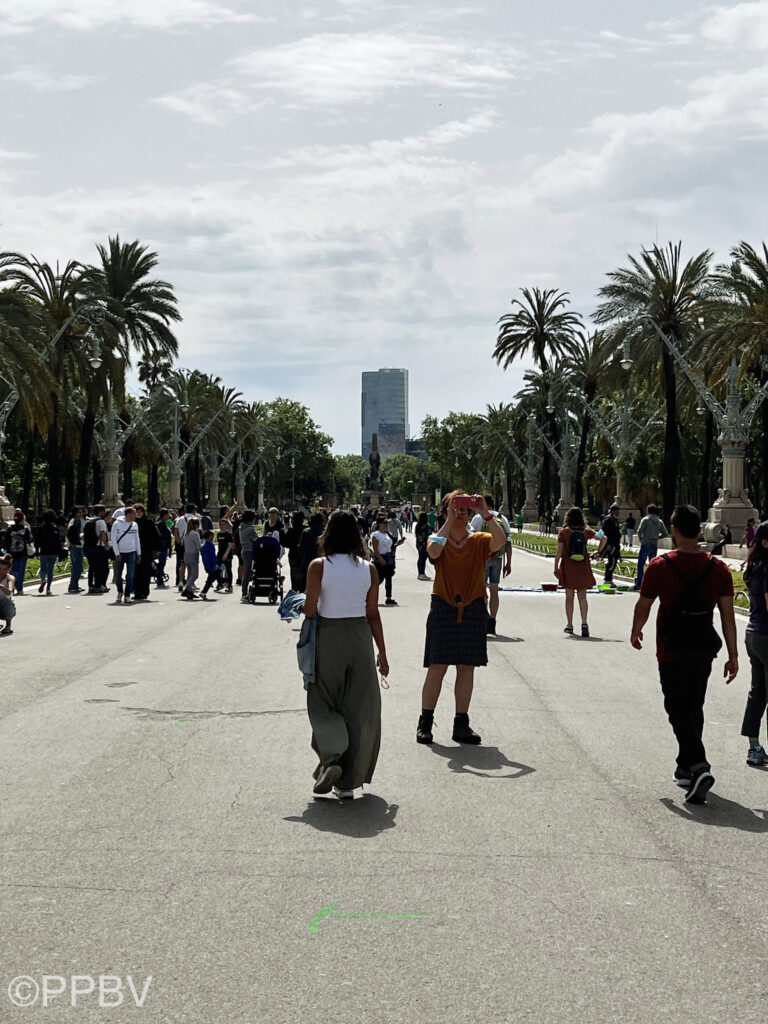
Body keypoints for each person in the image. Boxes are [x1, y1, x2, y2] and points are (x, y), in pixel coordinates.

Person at [630, 504, 738, 804]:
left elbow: (645, 604)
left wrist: (636, 630)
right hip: (703, 648)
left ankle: (699, 765)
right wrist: (733, 655)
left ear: (675, 532)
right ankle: (685, 767)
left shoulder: (661, 566)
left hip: (671, 647)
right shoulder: (719, 569)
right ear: (700, 530)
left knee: (676, 708)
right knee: (694, 706)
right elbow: (728, 616)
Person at [301, 510, 389, 798]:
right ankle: (348, 783)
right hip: (361, 638)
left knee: (322, 699)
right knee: (359, 707)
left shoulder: (319, 566)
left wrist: (296, 605)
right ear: (356, 536)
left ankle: (332, 757)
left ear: (328, 534)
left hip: (329, 636)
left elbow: (311, 609)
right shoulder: (369, 569)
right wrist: (382, 655)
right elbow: (373, 614)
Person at [417, 491, 506, 745]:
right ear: (445, 512)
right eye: (456, 509)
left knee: (466, 668)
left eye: (465, 510)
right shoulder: (439, 539)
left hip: (473, 607)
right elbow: (433, 553)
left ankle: (461, 724)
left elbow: (500, 542)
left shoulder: (478, 540)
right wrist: (448, 520)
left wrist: (486, 514)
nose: (461, 513)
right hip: (444, 607)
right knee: (437, 666)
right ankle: (425, 722)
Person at [739, 521, 768, 766]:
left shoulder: (756, 565)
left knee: (758, 692)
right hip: (767, 636)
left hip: (753, 635)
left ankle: (754, 747)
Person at [471, 495, 511, 636]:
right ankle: (492, 621)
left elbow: (473, 539)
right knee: (494, 591)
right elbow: (508, 541)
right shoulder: (502, 518)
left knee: (482, 591)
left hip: (483, 559)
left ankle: (484, 618)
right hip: (498, 558)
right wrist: (509, 563)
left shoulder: (477, 518)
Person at [553, 506, 597, 637]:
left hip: (569, 565)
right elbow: (603, 538)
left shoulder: (564, 532)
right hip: (583, 566)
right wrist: (598, 552)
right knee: (582, 597)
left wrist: (556, 567)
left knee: (569, 597)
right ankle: (584, 623)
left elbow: (559, 552)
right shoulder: (586, 531)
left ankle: (570, 625)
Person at [111, 506, 141, 604]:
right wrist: (117, 553)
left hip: (131, 552)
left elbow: (137, 539)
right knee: (118, 576)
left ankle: (127, 595)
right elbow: (114, 540)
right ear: (128, 514)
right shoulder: (117, 524)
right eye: (134, 513)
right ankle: (120, 591)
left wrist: (138, 553)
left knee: (130, 575)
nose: (135, 516)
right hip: (120, 553)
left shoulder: (135, 525)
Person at [634, 503, 668, 590]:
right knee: (652, 566)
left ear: (648, 511)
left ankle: (639, 584)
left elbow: (639, 531)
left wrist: (641, 539)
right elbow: (665, 534)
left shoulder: (645, 520)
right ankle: (652, 584)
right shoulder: (660, 521)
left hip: (645, 544)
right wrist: (657, 537)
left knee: (641, 564)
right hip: (654, 544)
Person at [132, 503, 161, 601]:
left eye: (141, 512)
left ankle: (144, 592)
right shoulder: (132, 523)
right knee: (135, 572)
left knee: (145, 572)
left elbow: (155, 536)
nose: (139, 514)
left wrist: (157, 548)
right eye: (137, 512)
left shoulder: (148, 522)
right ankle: (137, 592)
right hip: (134, 550)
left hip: (147, 550)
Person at [371, 516, 401, 606]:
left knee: (389, 578)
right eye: (384, 523)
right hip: (380, 558)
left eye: (386, 523)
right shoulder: (376, 535)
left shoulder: (388, 534)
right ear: (379, 524)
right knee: (379, 579)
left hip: (389, 558)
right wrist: (380, 559)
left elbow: (390, 546)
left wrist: (396, 545)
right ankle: (371, 596)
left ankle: (389, 598)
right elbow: (375, 550)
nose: (386, 525)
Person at [4, 510, 32, 595]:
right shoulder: (25, 529)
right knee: (21, 571)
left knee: (13, 570)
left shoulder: (9, 528)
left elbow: (6, 541)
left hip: (12, 553)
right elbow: (29, 540)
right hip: (22, 553)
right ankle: (19, 588)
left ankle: (13, 585)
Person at [296, 513, 325, 593]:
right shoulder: (324, 533)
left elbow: (301, 548)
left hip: (307, 562)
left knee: (306, 585)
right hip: (322, 562)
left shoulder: (306, 532)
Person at [83, 505, 109, 594]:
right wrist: (106, 545)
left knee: (91, 567)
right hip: (98, 546)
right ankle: (98, 585)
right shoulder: (101, 522)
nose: (104, 513)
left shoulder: (89, 520)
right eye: (104, 511)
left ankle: (90, 586)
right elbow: (103, 534)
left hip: (89, 546)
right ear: (100, 511)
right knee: (99, 567)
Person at [35, 508, 61, 596]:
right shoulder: (56, 529)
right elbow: (59, 541)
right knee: (50, 569)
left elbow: (37, 541)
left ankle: (43, 579)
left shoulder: (41, 529)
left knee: (43, 568)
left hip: (43, 551)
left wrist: (37, 550)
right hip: (53, 551)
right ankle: (48, 588)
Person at [596, 503, 622, 585]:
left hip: (616, 543)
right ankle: (608, 579)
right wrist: (608, 544)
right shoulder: (608, 520)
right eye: (617, 510)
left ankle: (609, 579)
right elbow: (605, 532)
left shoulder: (615, 520)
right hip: (611, 544)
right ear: (613, 511)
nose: (618, 512)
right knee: (612, 561)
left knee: (613, 561)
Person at [283, 511, 306, 591]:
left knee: (294, 576)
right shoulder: (305, 530)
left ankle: (295, 591)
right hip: (304, 556)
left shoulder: (291, 531)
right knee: (304, 578)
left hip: (293, 556)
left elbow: (285, 543)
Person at [238, 509, 258, 603]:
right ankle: (244, 593)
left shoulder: (241, 527)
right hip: (249, 551)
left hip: (244, 550)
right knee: (247, 572)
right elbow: (256, 540)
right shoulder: (250, 529)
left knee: (247, 571)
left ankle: (245, 591)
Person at [66, 506, 87, 594]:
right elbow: (71, 534)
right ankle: (72, 586)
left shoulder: (79, 521)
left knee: (78, 567)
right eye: (79, 512)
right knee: (76, 567)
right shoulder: (73, 521)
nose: (81, 514)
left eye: (81, 512)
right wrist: (80, 536)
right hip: (75, 546)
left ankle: (76, 585)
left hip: (79, 545)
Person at [182, 517, 202, 600]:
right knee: (195, 575)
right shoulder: (195, 534)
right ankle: (187, 588)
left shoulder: (186, 533)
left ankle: (190, 591)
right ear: (196, 525)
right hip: (193, 555)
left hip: (186, 554)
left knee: (190, 574)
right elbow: (198, 546)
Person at [215, 517, 235, 593]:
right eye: (220, 524)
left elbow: (230, 545)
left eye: (224, 524)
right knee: (217, 569)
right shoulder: (219, 534)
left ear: (227, 526)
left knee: (228, 570)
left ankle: (229, 586)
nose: (222, 526)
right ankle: (220, 584)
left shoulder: (228, 534)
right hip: (219, 554)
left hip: (227, 555)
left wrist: (226, 554)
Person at [200, 530, 220, 599]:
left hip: (207, 564)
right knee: (213, 576)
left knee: (214, 575)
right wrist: (215, 564)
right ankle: (203, 592)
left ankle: (211, 583)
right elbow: (212, 556)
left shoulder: (203, 545)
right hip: (211, 565)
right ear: (210, 536)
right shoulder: (210, 545)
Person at [0, 554, 17, 635]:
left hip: (6, 606)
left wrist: (1, 586)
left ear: (8, 569)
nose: (1, 571)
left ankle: (8, 625)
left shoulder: (10, 578)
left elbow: (9, 592)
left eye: (4, 569)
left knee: (7, 601)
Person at [415, 511, 431, 581]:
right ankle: (422, 573)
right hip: (425, 544)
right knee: (423, 558)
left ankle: (420, 573)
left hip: (419, 544)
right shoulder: (427, 526)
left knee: (420, 558)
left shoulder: (418, 525)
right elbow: (429, 535)